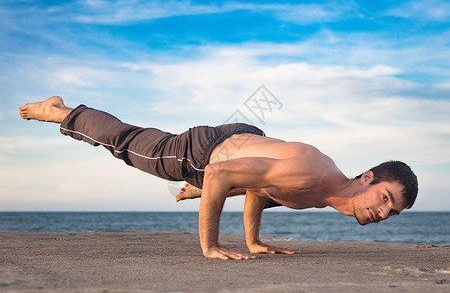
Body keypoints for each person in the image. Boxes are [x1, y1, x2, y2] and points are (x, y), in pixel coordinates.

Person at [19, 96, 418, 260]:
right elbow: (220, 172)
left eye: (392, 212)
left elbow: (261, 192)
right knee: (130, 145)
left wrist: (253, 242)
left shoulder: (326, 192)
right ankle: (60, 111)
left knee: (220, 181)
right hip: (206, 152)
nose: (384, 213)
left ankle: (199, 188)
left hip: (244, 146)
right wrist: (210, 245)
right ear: (367, 178)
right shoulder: (312, 173)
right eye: (386, 198)